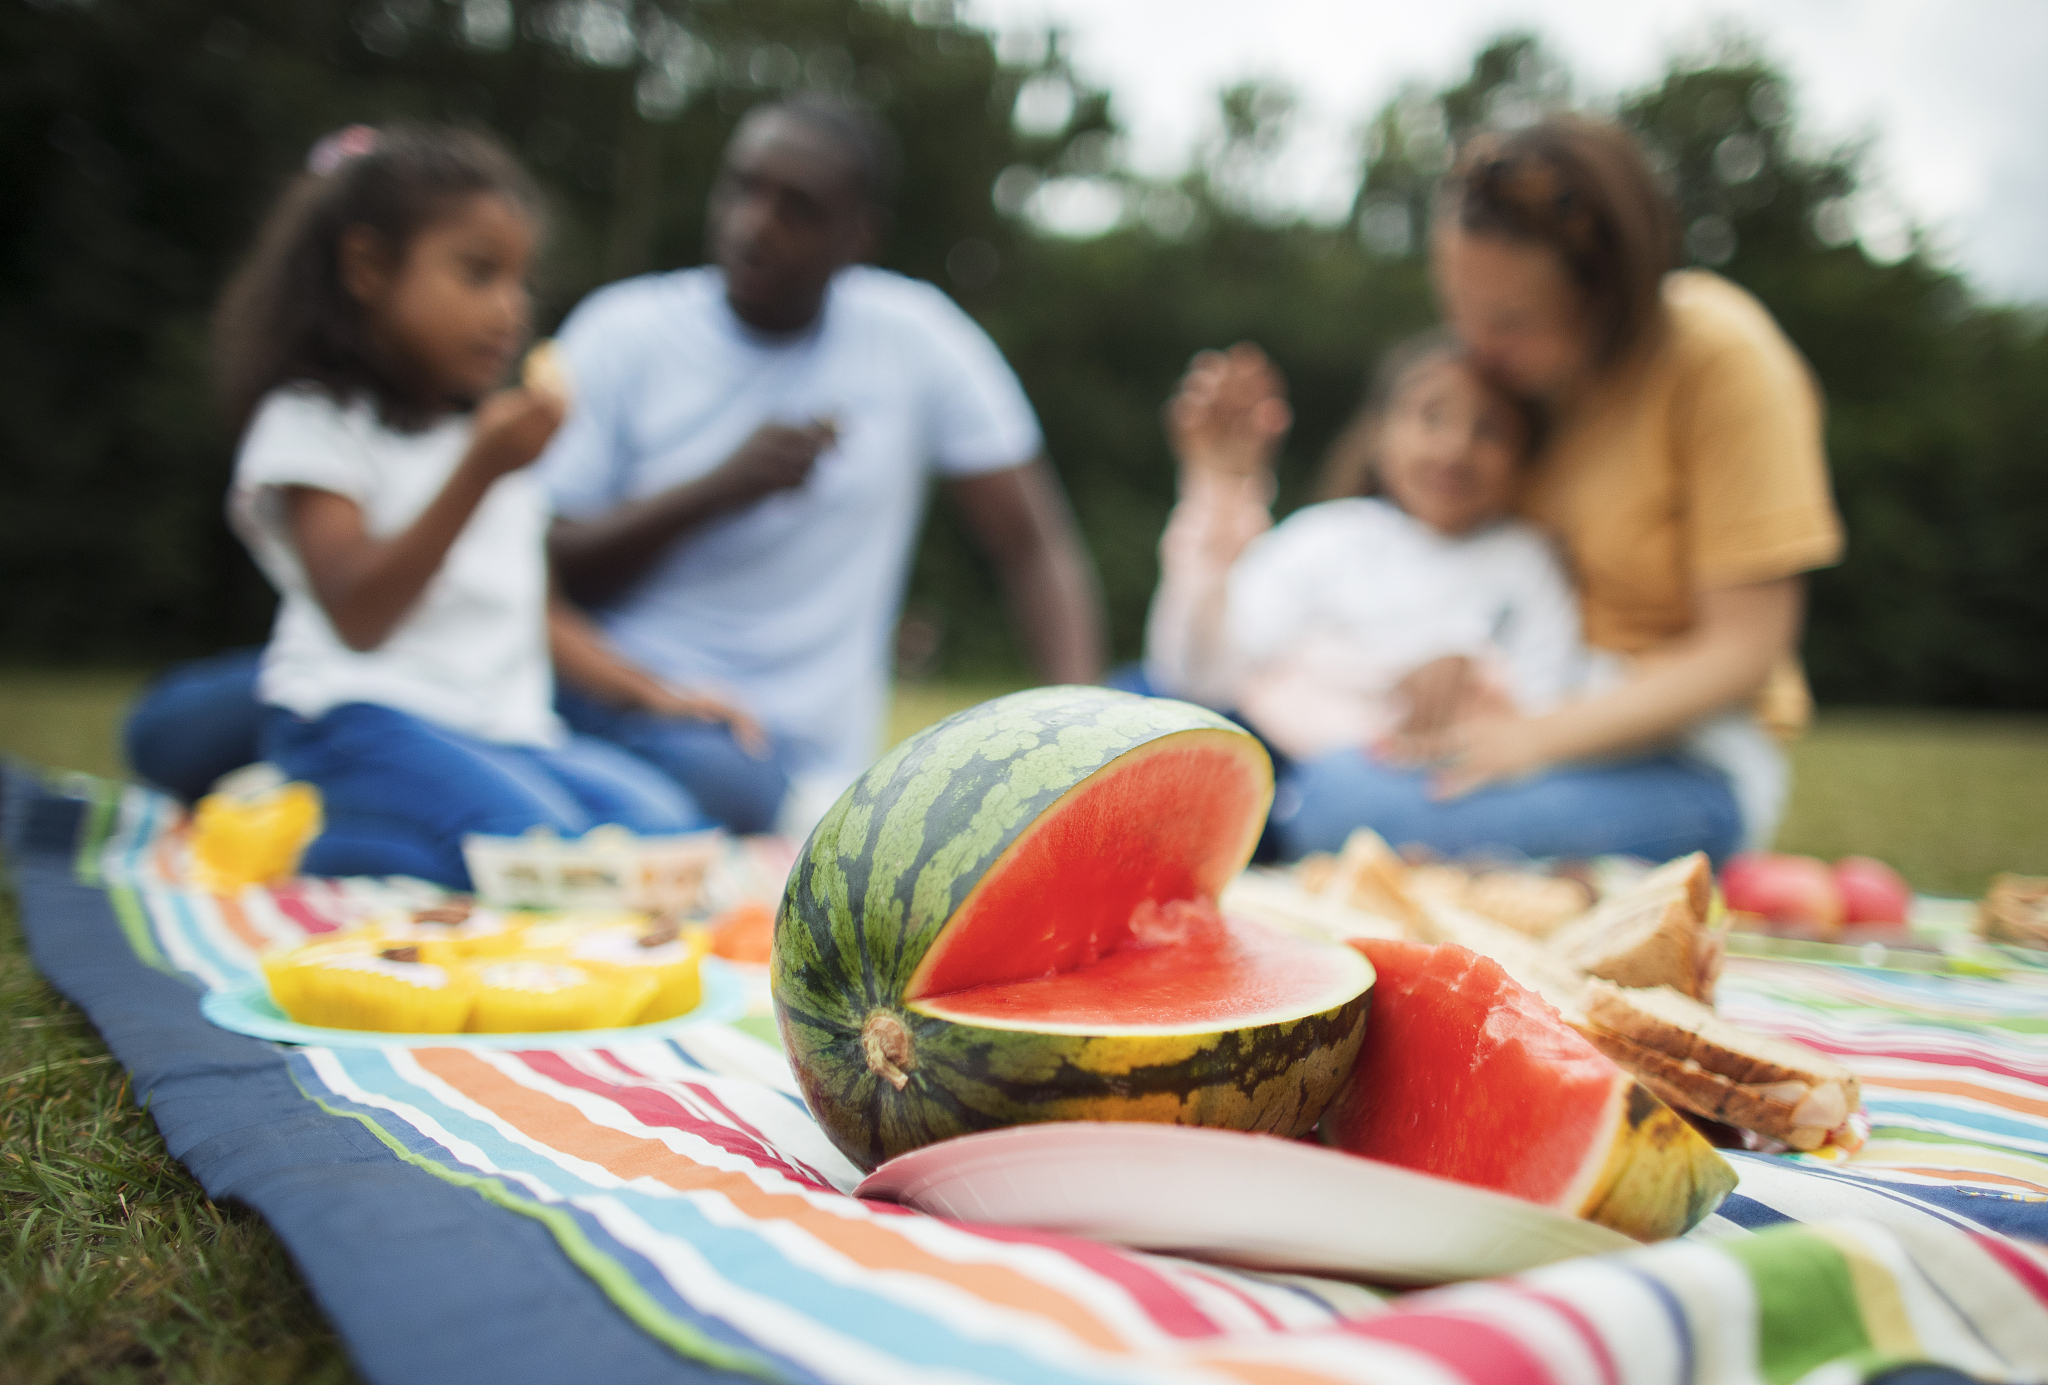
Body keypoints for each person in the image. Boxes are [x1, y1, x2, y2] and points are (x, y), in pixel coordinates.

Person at [1190, 113, 1842, 864]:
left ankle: (1218, 822)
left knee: (1344, 801)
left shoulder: (1717, 356)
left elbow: (1744, 651)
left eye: (1509, 320)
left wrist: (1534, 735)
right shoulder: (1530, 384)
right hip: (1506, 712)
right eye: (1458, 304)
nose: (1474, 343)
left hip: (1678, 761)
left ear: (1609, 296)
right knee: (1150, 697)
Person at [540, 96, 1104, 834]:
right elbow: (546, 574)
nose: (753, 225)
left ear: (858, 237)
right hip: (636, 706)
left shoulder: (915, 339)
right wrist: (719, 489)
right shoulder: (622, 333)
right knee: (723, 781)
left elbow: (1034, 547)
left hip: (816, 759)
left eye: (796, 208)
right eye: (742, 188)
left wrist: (1087, 746)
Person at [211, 123, 752, 888]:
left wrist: (663, 696)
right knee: (544, 852)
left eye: (519, 282)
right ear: (367, 267)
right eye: (477, 275)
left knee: (672, 835)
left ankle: (375, 840)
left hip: (504, 729)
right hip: (360, 716)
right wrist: (481, 471)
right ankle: (318, 838)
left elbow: (540, 612)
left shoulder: (492, 434)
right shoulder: (315, 420)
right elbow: (358, 614)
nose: (510, 311)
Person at [1146, 332, 1583, 782]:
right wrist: (1220, 490)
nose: (1456, 448)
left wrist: (1472, 681)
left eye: (1489, 430)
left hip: (1398, 777)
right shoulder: (1328, 536)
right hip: (1267, 748)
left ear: (1525, 455)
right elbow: (1201, 674)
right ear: (1380, 431)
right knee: (1140, 705)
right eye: (1432, 418)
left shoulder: (1525, 560)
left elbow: (1545, 702)